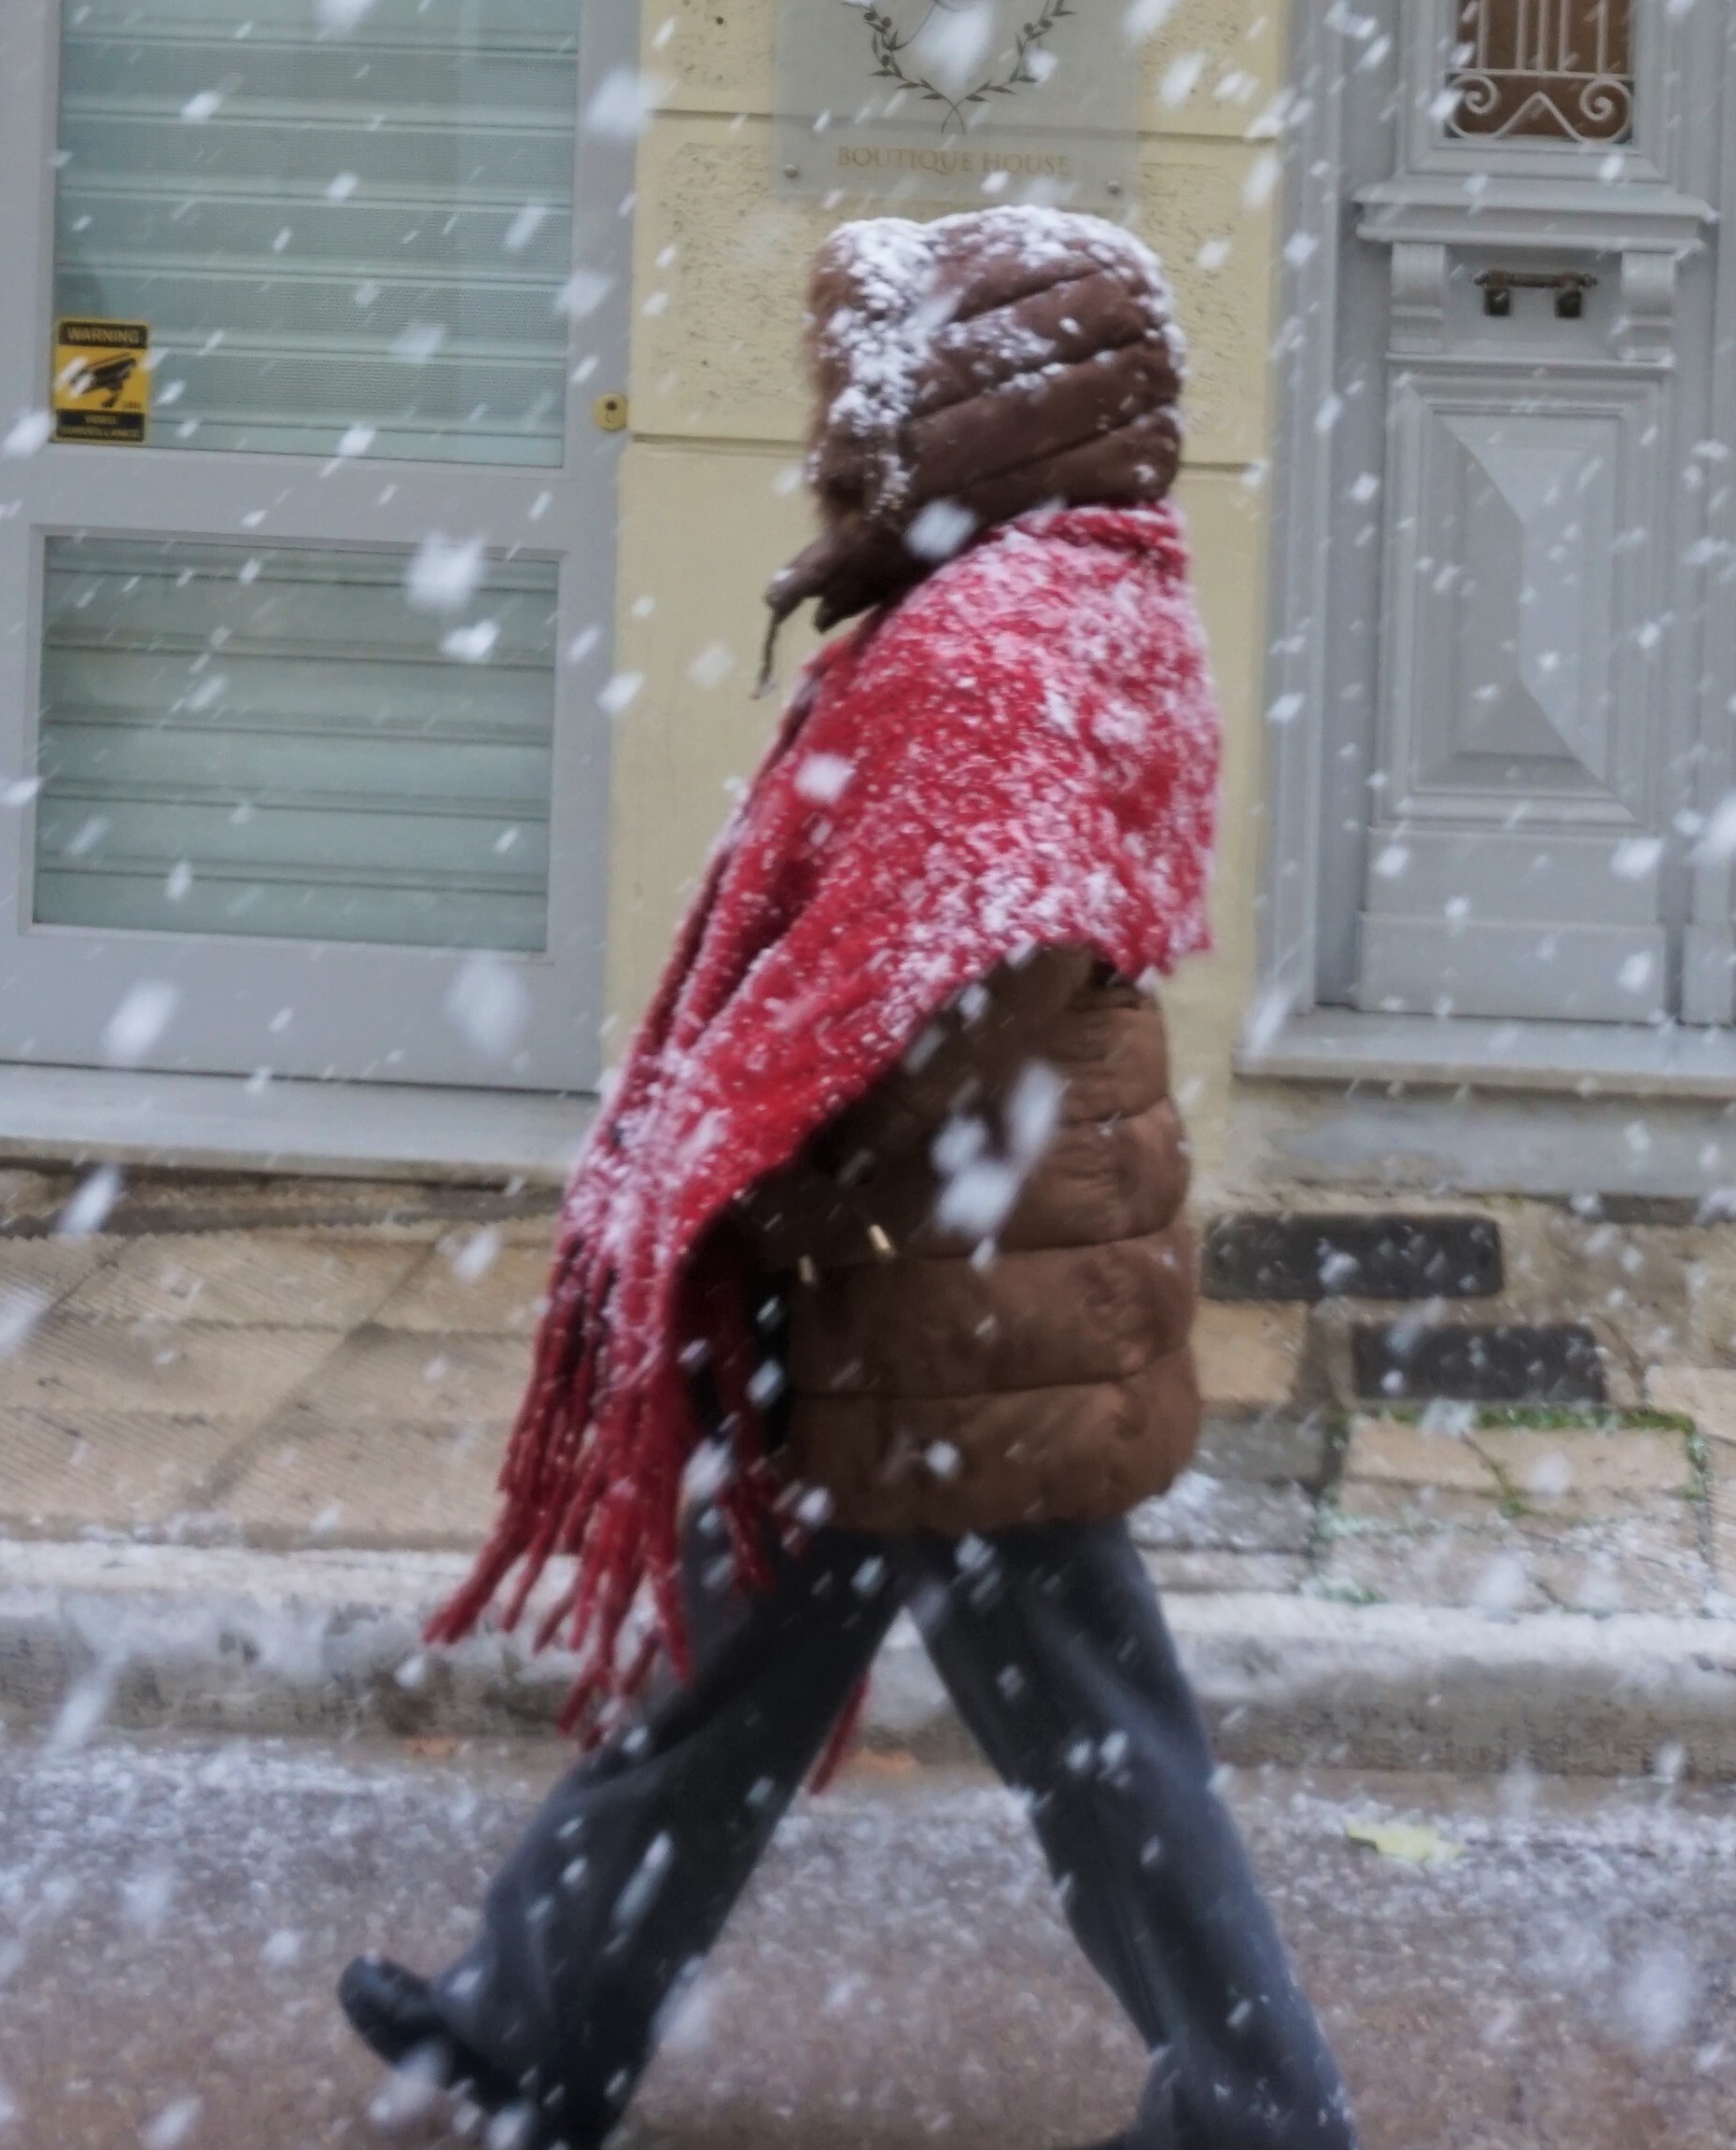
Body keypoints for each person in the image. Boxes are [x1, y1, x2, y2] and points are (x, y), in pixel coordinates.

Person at [343, 206, 1360, 2150]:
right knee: (751, 1667)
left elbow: (963, 979)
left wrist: (785, 1193)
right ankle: (537, 2024)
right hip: (974, 1249)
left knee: (1081, 1725)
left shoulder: (994, 639)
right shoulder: (1081, 586)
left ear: (981, 400)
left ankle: (1259, 2107)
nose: (838, 426)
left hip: (954, 1277)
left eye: (874, 384)